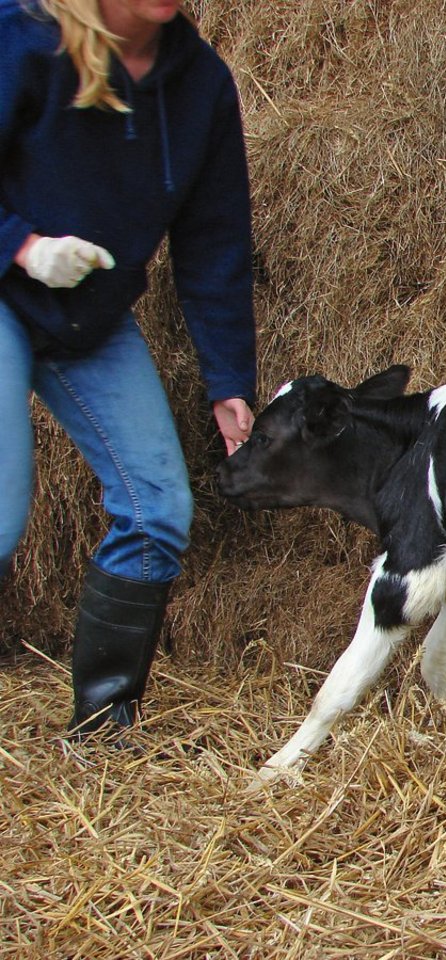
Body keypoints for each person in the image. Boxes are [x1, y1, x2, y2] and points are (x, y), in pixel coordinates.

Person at [0, 0, 256, 736]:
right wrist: (24, 247)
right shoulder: (24, 39)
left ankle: (104, 725)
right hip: (6, 288)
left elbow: (214, 242)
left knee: (158, 511)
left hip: (89, 315)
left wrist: (229, 381)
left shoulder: (200, 83)